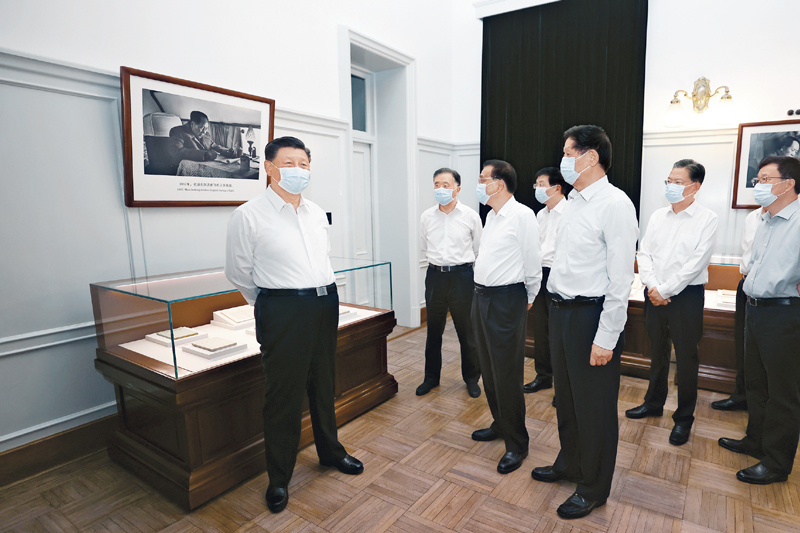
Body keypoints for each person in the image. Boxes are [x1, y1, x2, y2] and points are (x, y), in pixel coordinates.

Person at [225, 136, 363, 514]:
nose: (298, 170)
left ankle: (331, 451)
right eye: (289, 163)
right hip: (282, 309)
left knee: (324, 383)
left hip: (324, 303)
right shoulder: (248, 215)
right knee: (283, 395)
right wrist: (274, 303)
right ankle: (279, 477)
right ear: (269, 168)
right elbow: (239, 272)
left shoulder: (316, 212)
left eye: (304, 164)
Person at [530, 125, 638, 520]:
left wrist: (606, 336)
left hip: (591, 316)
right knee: (568, 400)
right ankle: (571, 463)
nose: (562, 160)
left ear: (590, 157)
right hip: (560, 312)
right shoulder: (574, 202)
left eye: (567, 153)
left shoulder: (615, 204)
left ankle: (593, 486)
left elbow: (621, 278)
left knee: (594, 407)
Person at [718, 156, 800, 485]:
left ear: (788, 184)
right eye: (758, 179)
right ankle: (755, 440)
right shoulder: (765, 219)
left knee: (783, 391)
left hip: (784, 313)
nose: (758, 185)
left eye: (766, 179)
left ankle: (777, 462)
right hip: (755, 308)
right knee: (756, 382)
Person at [625, 159, 718, 447]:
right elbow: (644, 253)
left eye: (678, 182)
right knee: (657, 351)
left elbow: (696, 263)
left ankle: (683, 418)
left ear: (695, 186)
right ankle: (653, 403)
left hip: (686, 296)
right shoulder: (657, 216)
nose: (671, 187)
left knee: (687, 359)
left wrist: (665, 289)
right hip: (654, 293)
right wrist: (653, 286)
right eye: (669, 181)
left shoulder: (707, 219)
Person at [470, 159, 541, 475]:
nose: (479, 184)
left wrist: (529, 297)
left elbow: (532, 262)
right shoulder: (491, 215)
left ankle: (517, 443)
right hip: (481, 297)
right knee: (488, 367)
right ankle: (500, 423)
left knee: (507, 373)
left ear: (498, 184)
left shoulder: (522, 216)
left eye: (482, 179)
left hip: (507, 300)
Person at [417, 168, 483, 398]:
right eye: (437, 184)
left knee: (467, 331)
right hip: (435, 276)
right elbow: (424, 247)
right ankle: (431, 378)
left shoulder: (470, 216)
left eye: (446, 185)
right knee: (433, 331)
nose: (440, 189)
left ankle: (472, 379)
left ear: (457, 188)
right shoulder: (426, 216)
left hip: (462, 277)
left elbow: (479, 249)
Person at [711, 205, 763, 411]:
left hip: (773, 292)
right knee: (743, 343)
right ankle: (742, 394)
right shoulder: (753, 217)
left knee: (767, 352)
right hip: (746, 283)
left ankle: (763, 405)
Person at [524, 167, 571, 396]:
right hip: (540, 275)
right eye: (536, 184)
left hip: (561, 276)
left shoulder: (571, 212)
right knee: (541, 330)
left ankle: (563, 386)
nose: (537, 189)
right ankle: (543, 376)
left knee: (560, 334)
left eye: (542, 184)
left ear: (557, 188)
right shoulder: (540, 215)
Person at [170, 110, 240, 163]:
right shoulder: (177, 131)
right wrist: (204, 154)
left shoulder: (205, 133)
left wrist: (225, 151)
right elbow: (177, 152)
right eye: (202, 128)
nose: (204, 132)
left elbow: (213, 145)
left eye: (206, 128)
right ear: (192, 124)